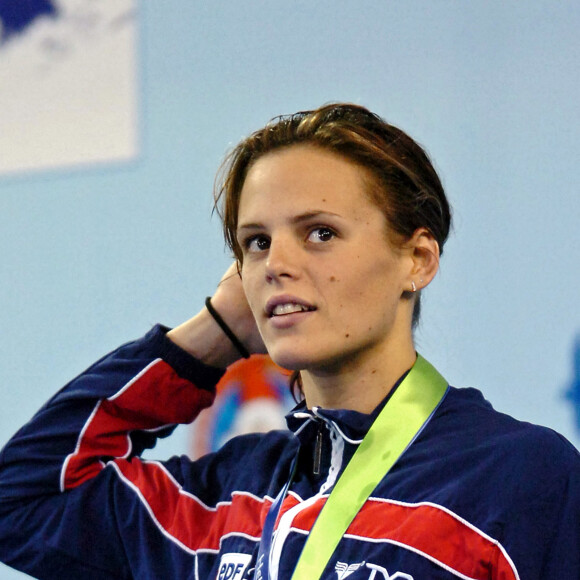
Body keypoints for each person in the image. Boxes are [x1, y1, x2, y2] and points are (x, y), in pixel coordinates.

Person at [0, 103, 579, 580]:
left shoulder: (519, 477)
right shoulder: (225, 500)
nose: (276, 263)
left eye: (320, 233)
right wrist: (216, 333)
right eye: (255, 242)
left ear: (417, 259)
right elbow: (20, 500)